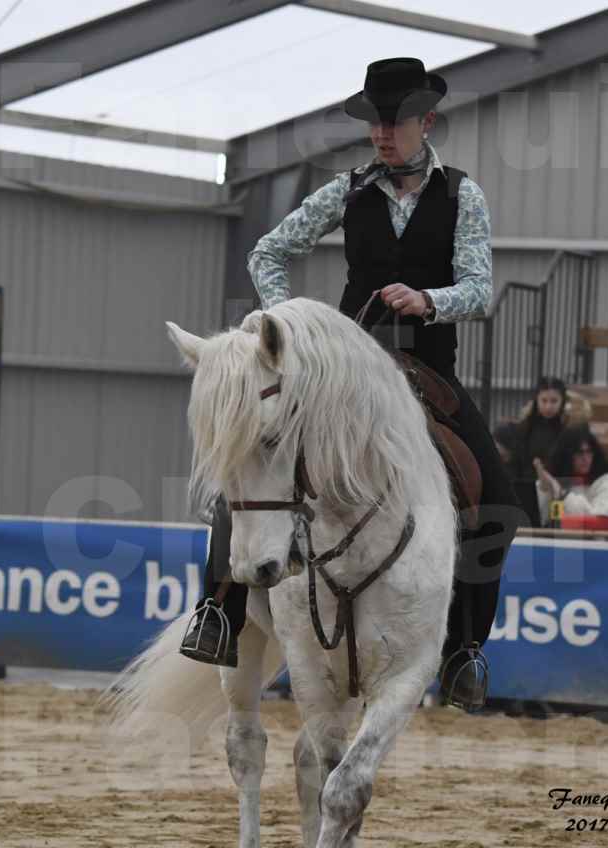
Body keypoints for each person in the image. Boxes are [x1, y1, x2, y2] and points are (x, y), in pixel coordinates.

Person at [181, 56, 522, 710]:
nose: (381, 134)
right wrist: (286, 323)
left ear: (425, 121)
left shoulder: (462, 195)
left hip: (427, 369)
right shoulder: (345, 190)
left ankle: (463, 650)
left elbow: (479, 288)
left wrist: (428, 299)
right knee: (250, 461)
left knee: (497, 496)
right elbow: (267, 252)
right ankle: (217, 611)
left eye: (393, 122)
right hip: (344, 372)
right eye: (374, 122)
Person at [508, 377, 591, 526]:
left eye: (554, 401)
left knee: (555, 523)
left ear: (562, 402)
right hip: (529, 490)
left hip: (560, 489)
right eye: (544, 400)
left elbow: (570, 467)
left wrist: (552, 483)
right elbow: (516, 463)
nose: (548, 406)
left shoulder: (570, 430)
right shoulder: (524, 428)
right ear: (536, 400)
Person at [534, 424, 608, 525]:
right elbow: (549, 521)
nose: (585, 458)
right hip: (560, 539)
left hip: (593, 540)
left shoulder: (606, 481)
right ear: (566, 455)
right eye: (579, 453)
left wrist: (563, 495)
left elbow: (597, 522)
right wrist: (545, 490)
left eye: (589, 452)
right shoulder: (556, 481)